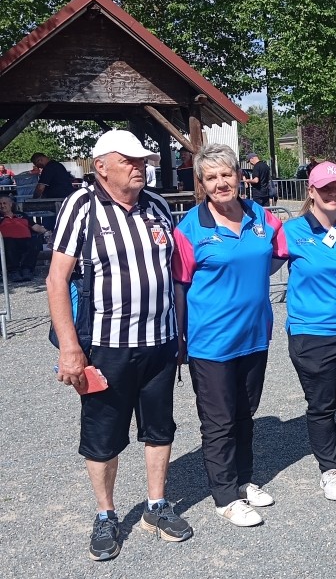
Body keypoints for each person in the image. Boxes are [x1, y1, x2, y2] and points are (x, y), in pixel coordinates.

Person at [48, 130, 192, 561]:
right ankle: (106, 514)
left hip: (160, 341)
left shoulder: (158, 206)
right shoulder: (81, 206)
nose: (140, 166)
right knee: (103, 434)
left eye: (142, 160)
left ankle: (156, 504)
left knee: (159, 428)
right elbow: (57, 279)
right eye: (129, 160)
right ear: (101, 167)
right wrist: (70, 348)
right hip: (107, 346)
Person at [173, 144, 281, 527]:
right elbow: (180, 286)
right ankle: (224, 495)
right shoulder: (189, 229)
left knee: (244, 414)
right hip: (211, 341)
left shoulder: (261, 217)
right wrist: (180, 341)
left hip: (253, 336)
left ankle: (244, 481)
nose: (221, 183)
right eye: (212, 177)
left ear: (239, 176)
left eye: (226, 174)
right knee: (218, 421)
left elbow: (278, 254)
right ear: (201, 184)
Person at [274, 161, 336, 501]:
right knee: (322, 404)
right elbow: (261, 265)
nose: (333, 193)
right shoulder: (292, 231)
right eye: (325, 188)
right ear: (311, 191)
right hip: (310, 333)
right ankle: (329, 468)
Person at [0, 195, 48, 281]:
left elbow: (35, 226)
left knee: (35, 241)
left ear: (11, 204)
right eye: (0, 204)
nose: (2, 205)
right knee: (9, 242)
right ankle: (14, 271)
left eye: (4, 203)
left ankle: (27, 269)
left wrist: (46, 231)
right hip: (7, 241)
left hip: (25, 240)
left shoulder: (21, 215)